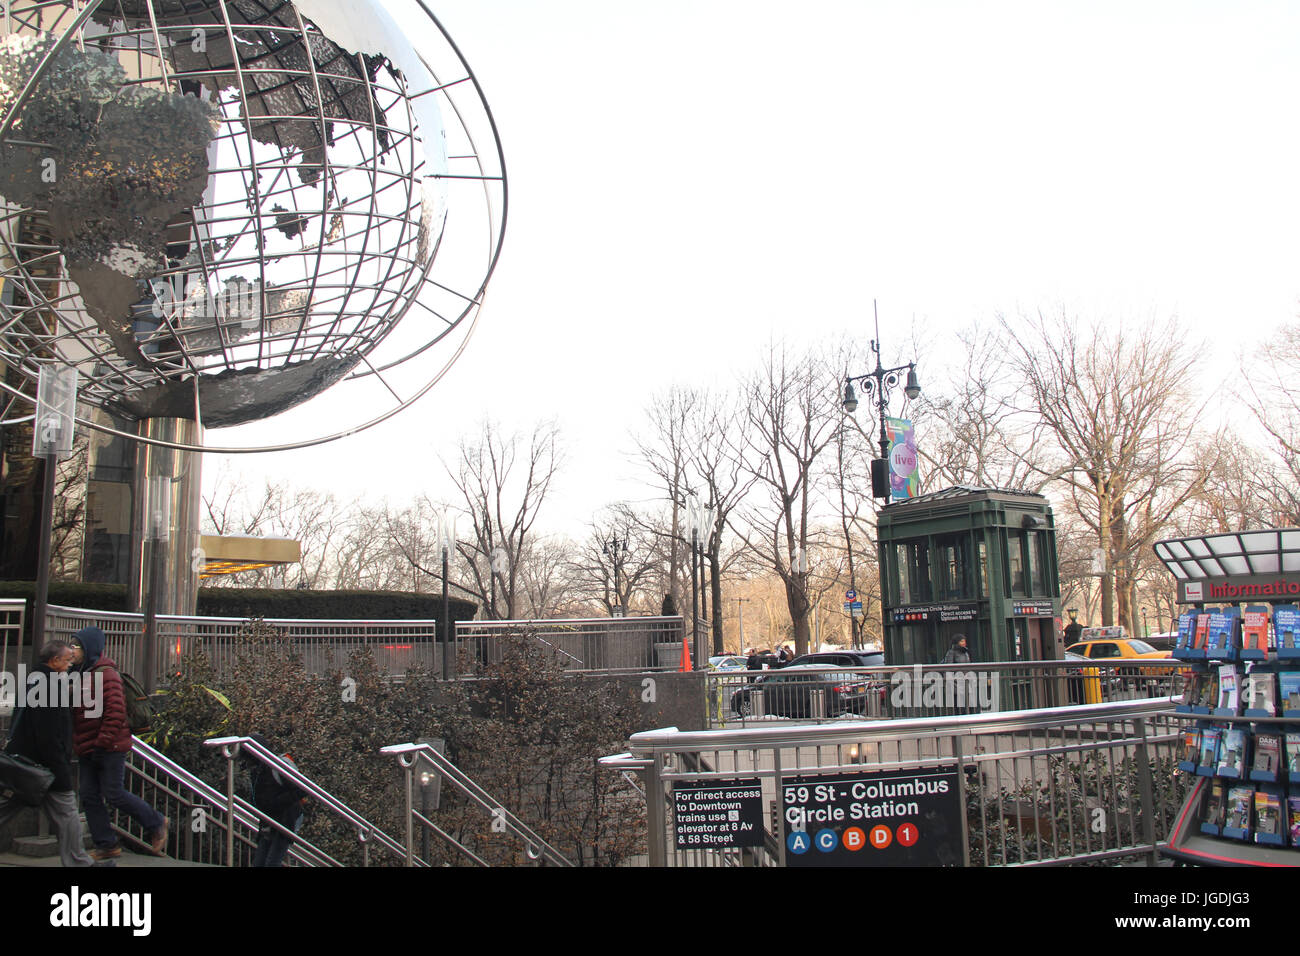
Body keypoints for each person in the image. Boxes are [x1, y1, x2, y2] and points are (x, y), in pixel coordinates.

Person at [69, 626, 168, 861]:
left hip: (108, 747)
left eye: (76, 646)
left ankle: (156, 821)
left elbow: (115, 713)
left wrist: (101, 745)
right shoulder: (81, 672)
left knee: (113, 793)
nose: (72, 650)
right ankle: (106, 844)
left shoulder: (106, 674)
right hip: (87, 746)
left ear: (89, 649)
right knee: (89, 795)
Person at [0, 640, 94, 867]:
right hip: (44, 767)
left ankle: (80, 862)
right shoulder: (49, 687)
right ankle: (79, 863)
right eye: (67, 660)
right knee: (68, 813)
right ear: (54, 661)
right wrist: (60, 768)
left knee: (7, 809)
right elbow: (49, 734)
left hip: (25, 764)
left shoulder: (33, 680)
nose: (70, 664)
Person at [246, 734, 308, 867]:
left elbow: (301, 789)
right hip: (269, 820)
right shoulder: (258, 771)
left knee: (271, 862)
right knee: (260, 862)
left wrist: (276, 802)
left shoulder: (276, 767)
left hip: (286, 819)